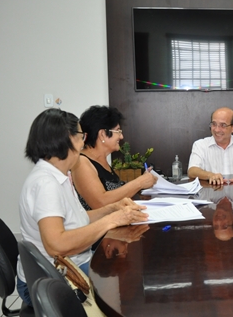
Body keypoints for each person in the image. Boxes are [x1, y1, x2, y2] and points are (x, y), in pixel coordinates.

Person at [17, 108, 148, 305]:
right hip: (51, 281)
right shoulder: (46, 184)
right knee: (128, 283)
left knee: (130, 274)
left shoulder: (58, 175)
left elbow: (76, 219)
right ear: (65, 139)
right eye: (81, 136)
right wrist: (110, 221)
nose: (83, 142)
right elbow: (56, 245)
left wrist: (112, 209)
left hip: (68, 267)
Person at [72, 105, 157, 210]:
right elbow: (100, 202)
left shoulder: (102, 160)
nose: (121, 137)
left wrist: (140, 188)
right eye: (118, 131)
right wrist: (138, 183)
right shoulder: (81, 162)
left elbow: (115, 194)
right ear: (102, 134)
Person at [187, 107, 233, 185]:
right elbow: (192, 171)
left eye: (223, 125)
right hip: (211, 193)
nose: (217, 130)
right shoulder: (200, 145)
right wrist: (210, 175)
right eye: (214, 124)